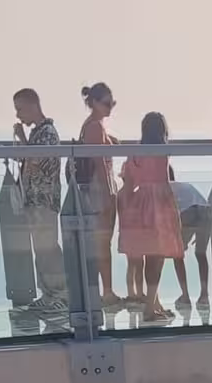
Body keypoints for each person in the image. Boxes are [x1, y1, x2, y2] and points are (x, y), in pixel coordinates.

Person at [116, 112, 184, 322]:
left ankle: (153, 303)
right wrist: (175, 214)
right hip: (158, 206)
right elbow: (163, 182)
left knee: (146, 257)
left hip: (138, 205)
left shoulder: (134, 153)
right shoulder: (162, 152)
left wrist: (124, 212)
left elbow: (128, 186)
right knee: (158, 257)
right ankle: (150, 307)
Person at [11, 89, 65, 313]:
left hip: (44, 200)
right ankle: (48, 293)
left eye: (20, 109)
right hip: (35, 200)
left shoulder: (47, 133)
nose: (18, 115)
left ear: (33, 106)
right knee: (41, 249)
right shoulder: (38, 133)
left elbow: (35, 160)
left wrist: (22, 141)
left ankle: (62, 294)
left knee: (48, 248)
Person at [73, 82, 123, 307]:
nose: (110, 108)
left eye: (112, 103)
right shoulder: (94, 127)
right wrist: (108, 194)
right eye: (106, 103)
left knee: (102, 243)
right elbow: (99, 162)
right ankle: (107, 291)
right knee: (103, 243)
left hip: (97, 188)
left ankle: (106, 290)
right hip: (99, 190)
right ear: (93, 103)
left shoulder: (94, 125)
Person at [170, 176, 212, 309]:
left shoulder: (163, 187)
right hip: (205, 211)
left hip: (187, 212)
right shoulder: (182, 185)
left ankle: (185, 296)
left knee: (177, 255)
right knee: (201, 254)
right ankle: (204, 295)